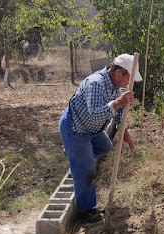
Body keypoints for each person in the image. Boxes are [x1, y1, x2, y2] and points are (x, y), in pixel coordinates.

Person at [59, 54, 142, 223]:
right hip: (76, 129)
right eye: (128, 78)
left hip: (92, 129)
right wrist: (118, 102)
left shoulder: (113, 85)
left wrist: (124, 131)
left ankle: (78, 155)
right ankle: (86, 210)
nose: (128, 83)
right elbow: (95, 114)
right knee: (87, 172)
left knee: (105, 146)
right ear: (119, 73)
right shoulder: (95, 83)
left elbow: (119, 111)